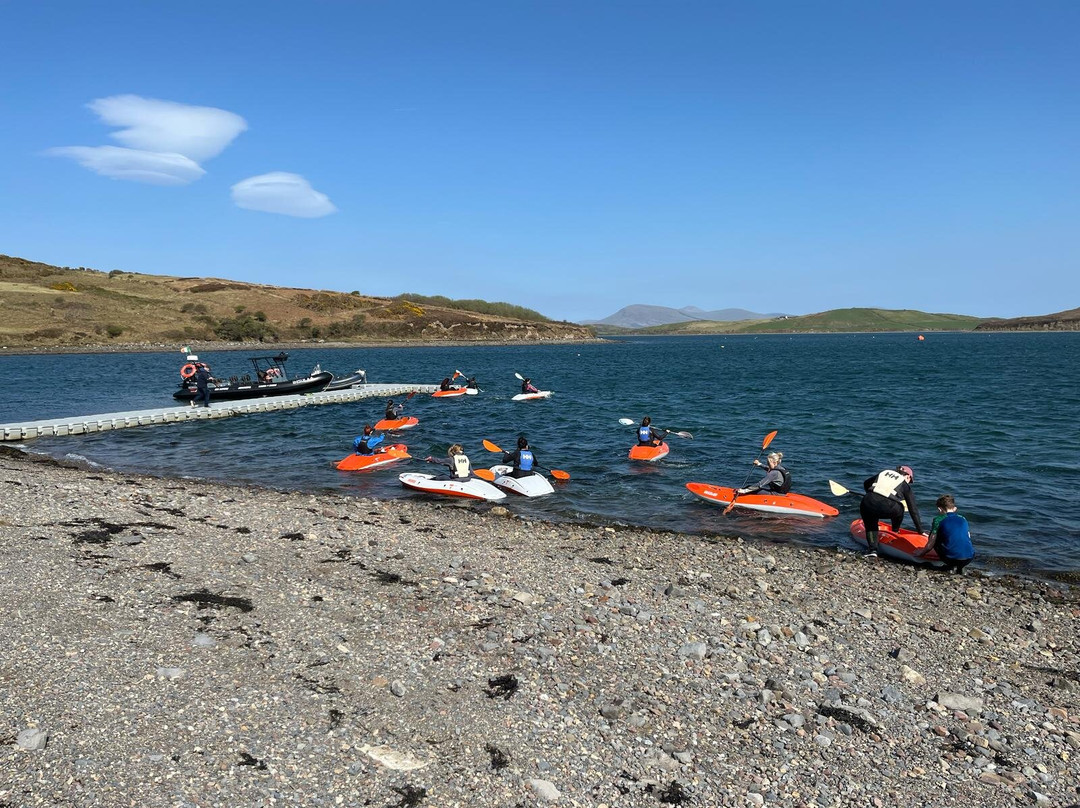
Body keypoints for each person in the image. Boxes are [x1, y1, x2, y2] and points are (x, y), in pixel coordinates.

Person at [860, 465, 924, 558]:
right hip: (888, 507)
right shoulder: (904, 483)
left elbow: (866, 483)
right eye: (910, 481)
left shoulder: (884, 473)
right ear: (908, 476)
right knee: (901, 507)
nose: (909, 483)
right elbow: (913, 509)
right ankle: (895, 532)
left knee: (870, 524)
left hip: (866, 502)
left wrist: (871, 496)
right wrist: (920, 530)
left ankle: (872, 550)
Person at [915, 494, 974, 573]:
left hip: (950, 558)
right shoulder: (963, 518)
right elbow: (968, 536)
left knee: (934, 537)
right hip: (969, 557)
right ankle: (961, 567)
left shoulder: (938, 519)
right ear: (954, 508)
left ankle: (950, 567)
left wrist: (921, 553)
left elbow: (930, 544)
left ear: (939, 509)